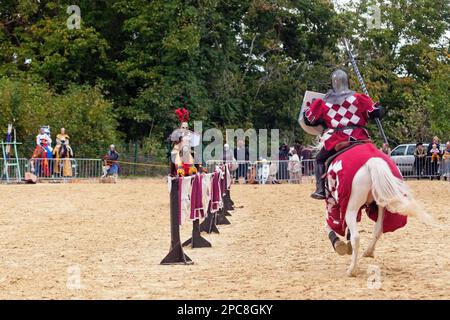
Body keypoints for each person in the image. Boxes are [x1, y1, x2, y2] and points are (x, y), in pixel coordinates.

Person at [303, 69, 381, 199]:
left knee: (320, 159)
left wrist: (313, 112)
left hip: (337, 139)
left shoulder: (323, 102)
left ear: (333, 83)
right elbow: (374, 113)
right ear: (347, 81)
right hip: (359, 136)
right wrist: (378, 107)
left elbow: (309, 120)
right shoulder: (358, 98)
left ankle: (320, 190)